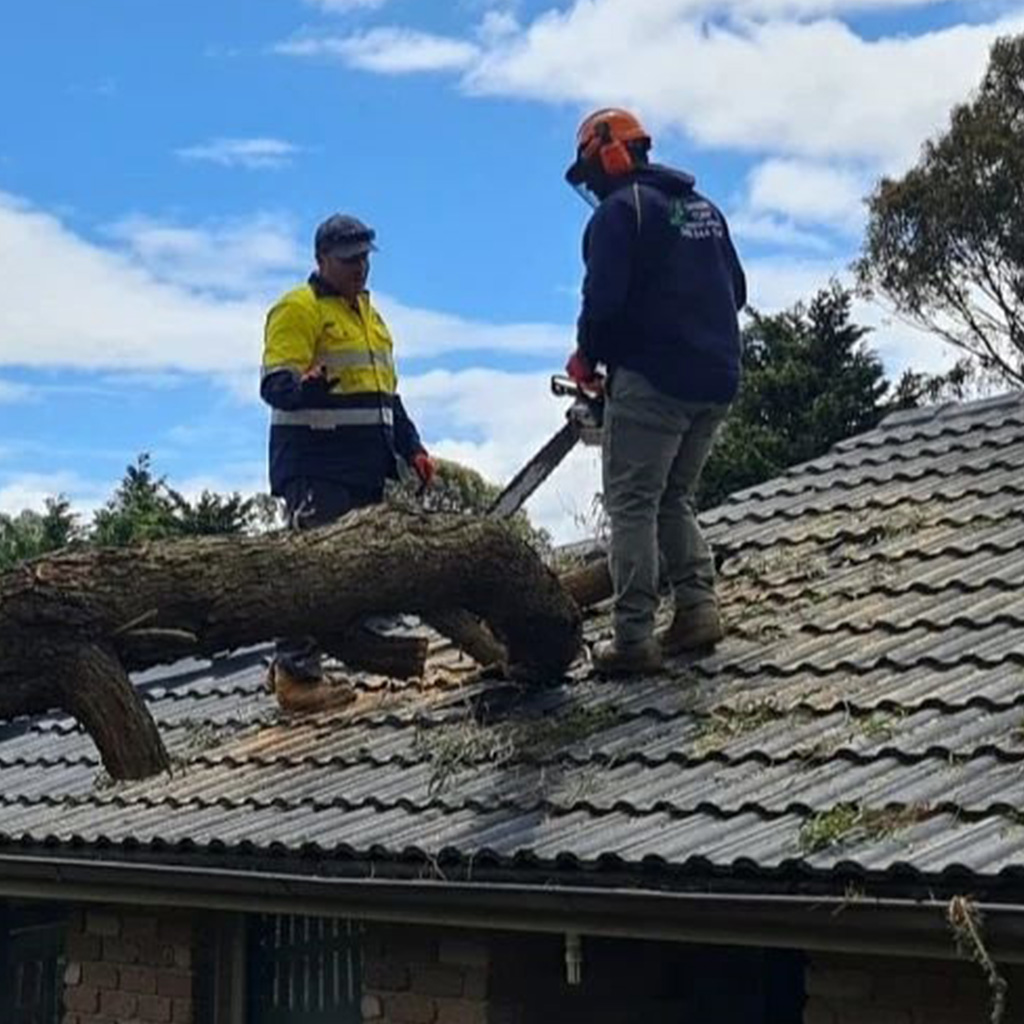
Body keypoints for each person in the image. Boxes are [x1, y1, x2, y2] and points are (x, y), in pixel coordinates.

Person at [563, 108, 746, 677]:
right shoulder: (703, 209)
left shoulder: (621, 213)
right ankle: (697, 608)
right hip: (717, 379)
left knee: (632, 505)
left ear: (607, 154)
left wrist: (587, 358)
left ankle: (633, 637)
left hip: (655, 381)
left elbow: (603, 303)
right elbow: (736, 291)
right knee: (675, 497)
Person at [260, 213, 435, 709]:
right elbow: (274, 386)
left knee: (353, 571)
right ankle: (296, 676)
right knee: (314, 569)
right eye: (348, 260)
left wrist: (413, 448)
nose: (359, 268)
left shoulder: (370, 318)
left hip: (363, 467)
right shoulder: (298, 309)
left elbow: (386, 397)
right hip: (317, 464)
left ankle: (291, 662)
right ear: (321, 261)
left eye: (363, 258)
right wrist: (303, 385)